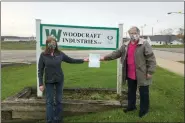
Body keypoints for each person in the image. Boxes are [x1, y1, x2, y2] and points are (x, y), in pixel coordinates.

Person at [100, 26, 156, 118]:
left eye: (134, 32)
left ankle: (144, 110)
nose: (133, 35)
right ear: (129, 34)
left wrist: (150, 71)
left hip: (142, 73)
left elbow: (151, 59)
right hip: (130, 73)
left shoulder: (144, 44)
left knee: (144, 93)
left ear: (139, 33)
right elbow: (116, 53)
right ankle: (131, 107)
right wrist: (104, 57)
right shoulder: (126, 45)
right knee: (131, 92)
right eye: (131, 33)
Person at [38, 36, 89, 123]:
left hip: (59, 80)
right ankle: (50, 120)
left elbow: (71, 60)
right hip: (49, 80)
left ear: (56, 44)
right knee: (49, 101)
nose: (53, 45)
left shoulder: (60, 54)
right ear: (47, 44)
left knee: (59, 100)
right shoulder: (43, 55)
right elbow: (40, 70)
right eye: (51, 43)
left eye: (54, 43)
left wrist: (83, 60)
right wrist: (40, 83)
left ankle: (58, 120)